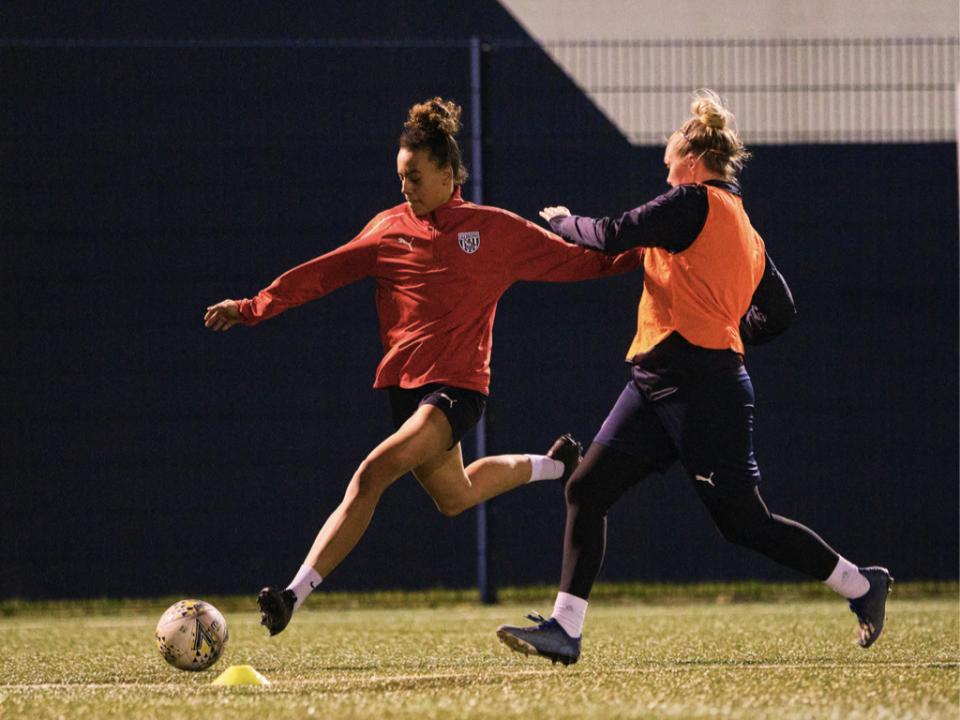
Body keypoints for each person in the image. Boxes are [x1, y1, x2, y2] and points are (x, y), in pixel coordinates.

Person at [203, 97, 641, 636]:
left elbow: (576, 263)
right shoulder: (388, 229)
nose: (404, 186)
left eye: (413, 176)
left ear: (449, 174)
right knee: (455, 497)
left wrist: (647, 250)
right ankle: (558, 465)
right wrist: (252, 307)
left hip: (457, 389)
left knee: (372, 473)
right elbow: (320, 273)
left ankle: (292, 594)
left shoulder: (494, 230)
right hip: (406, 390)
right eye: (400, 176)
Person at [496, 89, 892, 665]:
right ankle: (565, 628)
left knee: (744, 523)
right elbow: (778, 313)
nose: (665, 165)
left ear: (693, 158)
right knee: (587, 487)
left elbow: (608, 232)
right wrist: (728, 324)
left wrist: (563, 221)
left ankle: (862, 584)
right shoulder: (746, 231)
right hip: (657, 378)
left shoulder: (695, 203)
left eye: (670, 156)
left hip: (702, 387)